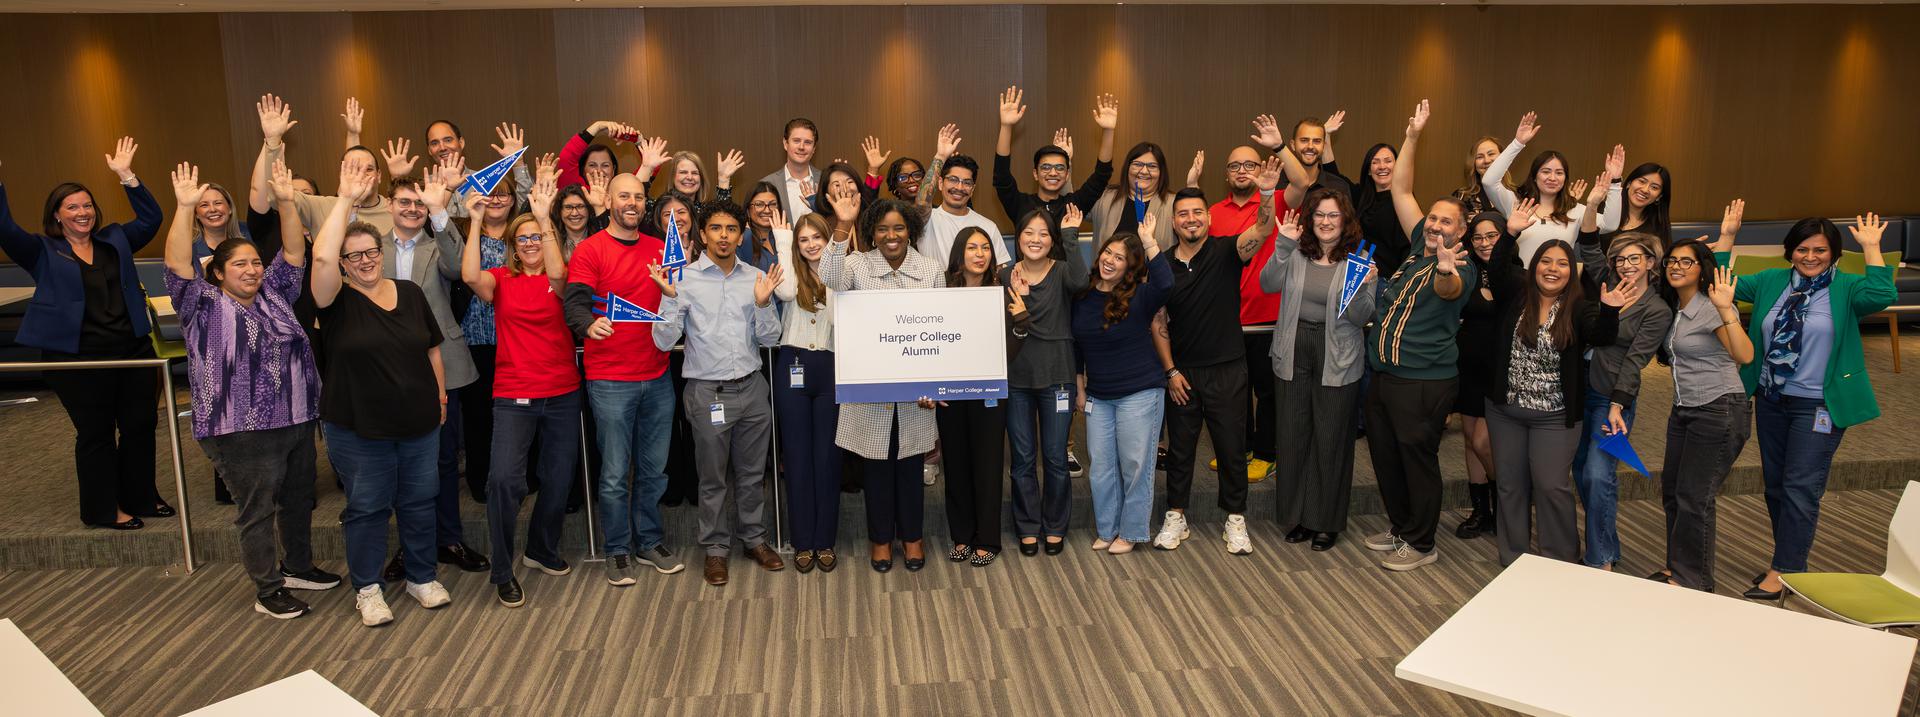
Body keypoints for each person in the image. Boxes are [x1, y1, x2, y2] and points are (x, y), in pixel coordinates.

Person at [162, 160, 338, 618]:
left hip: (297, 416)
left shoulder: (274, 292)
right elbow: (178, 264)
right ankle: (268, 588)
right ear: (217, 273)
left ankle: (298, 565)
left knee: (298, 498)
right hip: (239, 426)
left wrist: (285, 203)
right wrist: (184, 209)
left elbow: (295, 253)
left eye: (256, 262)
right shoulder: (200, 302)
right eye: (239, 263)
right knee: (256, 508)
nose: (252, 269)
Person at [308, 160, 452, 628]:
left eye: (371, 251)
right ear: (345, 265)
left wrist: (441, 397)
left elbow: (431, 349)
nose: (366, 260)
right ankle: (368, 589)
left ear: (381, 251)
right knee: (367, 507)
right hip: (358, 427)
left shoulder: (409, 293)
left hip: (418, 422)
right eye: (355, 256)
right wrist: (347, 200)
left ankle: (420, 576)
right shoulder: (334, 302)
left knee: (418, 500)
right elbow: (323, 259)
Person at [0, 137, 170, 529]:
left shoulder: (114, 240)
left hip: (132, 351)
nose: (83, 213)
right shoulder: (41, 250)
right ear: (57, 215)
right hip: (77, 359)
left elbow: (151, 220)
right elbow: (3, 227)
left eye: (87, 205)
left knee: (140, 426)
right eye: (72, 207)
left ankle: (141, 496)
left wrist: (127, 176)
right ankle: (103, 509)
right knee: (96, 433)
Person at [1725, 212, 1896, 600]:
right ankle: (1785, 560)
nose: (1810, 256)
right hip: (1771, 398)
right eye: (1803, 249)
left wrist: (1871, 247)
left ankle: (1786, 570)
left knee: (1800, 487)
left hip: (1818, 405)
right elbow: (1719, 285)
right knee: (1775, 487)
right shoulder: (1772, 281)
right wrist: (1726, 238)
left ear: (1834, 253)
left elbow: (1883, 295)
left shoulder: (1847, 288)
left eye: (1820, 250)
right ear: (1790, 251)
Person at [1366, 101, 1478, 572]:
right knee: (1386, 456)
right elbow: (1402, 188)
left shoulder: (1461, 267)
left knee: (1417, 460)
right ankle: (1400, 525)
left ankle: (1422, 541)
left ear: (1463, 229)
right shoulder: (1419, 246)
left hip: (1424, 382)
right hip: (1384, 375)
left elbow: (1447, 288)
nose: (1434, 225)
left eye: (1445, 222)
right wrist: (1411, 137)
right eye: (1432, 219)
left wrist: (1448, 269)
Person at [459, 174, 580, 608]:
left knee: (559, 478)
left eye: (535, 237)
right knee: (504, 480)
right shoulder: (500, 280)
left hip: (563, 392)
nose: (529, 243)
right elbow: (468, 274)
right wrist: (474, 222)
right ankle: (502, 567)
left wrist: (545, 219)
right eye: (522, 238)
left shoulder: (557, 278)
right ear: (511, 246)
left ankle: (541, 549)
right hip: (514, 395)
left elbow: (559, 271)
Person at [650, 201, 786, 587]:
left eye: (731, 229)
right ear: (703, 234)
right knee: (712, 479)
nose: (724, 236)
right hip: (709, 393)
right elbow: (662, 341)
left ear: (740, 235)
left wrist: (762, 304)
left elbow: (770, 338)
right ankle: (714, 549)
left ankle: (754, 539)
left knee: (751, 474)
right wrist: (671, 298)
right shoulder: (683, 279)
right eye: (715, 228)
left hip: (753, 390)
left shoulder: (756, 276)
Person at [1151, 157, 1281, 556]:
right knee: (1181, 451)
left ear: (1208, 218)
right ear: (1174, 222)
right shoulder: (1164, 265)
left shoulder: (1228, 250)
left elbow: (1262, 226)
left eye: (1196, 213)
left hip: (1227, 369)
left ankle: (1235, 519)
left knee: (1229, 449)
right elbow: (1158, 323)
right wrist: (1170, 370)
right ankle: (1176, 516)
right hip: (1183, 375)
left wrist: (1266, 191)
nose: (1190, 219)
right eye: (1182, 214)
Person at [1479, 225, 1630, 567]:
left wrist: (1610, 309)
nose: (1552, 268)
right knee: (1510, 486)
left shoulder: (1580, 306)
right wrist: (1509, 232)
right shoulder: (1516, 293)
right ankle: (1514, 559)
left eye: (1562, 263)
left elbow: (1602, 336)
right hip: (1506, 411)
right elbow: (1497, 268)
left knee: (1551, 486)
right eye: (1545, 261)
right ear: (1533, 267)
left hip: (1554, 416)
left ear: (1571, 271)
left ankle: (1559, 562)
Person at [563, 172, 686, 583]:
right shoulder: (590, 250)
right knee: (615, 473)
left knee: (655, 470)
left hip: (657, 377)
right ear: (609, 201)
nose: (631, 203)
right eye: (623, 196)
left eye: (638, 196)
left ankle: (648, 541)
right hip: (610, 380)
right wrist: (587, 325)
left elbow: (679, 301)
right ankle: (618, 548)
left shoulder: (660, 249)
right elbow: (576, 305)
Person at [819, 197, 945, 573]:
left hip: (915, 393)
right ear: (872, 233)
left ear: (911, 231)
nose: (891, 236)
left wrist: (936, 385)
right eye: (883, 229)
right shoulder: (856, 264)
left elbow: (940, 328)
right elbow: (829, 276)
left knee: (909, 468)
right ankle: (880, 540)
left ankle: (912, 538)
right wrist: (843, 225)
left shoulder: (931, 269)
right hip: (869, 391)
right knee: (875, 468)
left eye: (899, 228)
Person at [376, 162, 486, 579]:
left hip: (443, 365)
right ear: (389, 205)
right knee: (402, 465)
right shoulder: (370, 248)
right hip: (389, 371)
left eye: (418, 204)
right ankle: (409, 547)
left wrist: (440, 212)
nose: (411, 209)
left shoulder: (439, 242)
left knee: (442, 460)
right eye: (404, 202)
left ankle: (449, 539)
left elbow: (459, 269)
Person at [1261, 188, 1378, 551]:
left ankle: (1325, 521)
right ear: (1310, 220)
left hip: (1337, 356)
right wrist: (1282, 244)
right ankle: (1297, 517)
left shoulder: (1358, 262)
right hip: (1293, 350)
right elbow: (1267, 284)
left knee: (1330, 440)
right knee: (1293, 437)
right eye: (1320, 216)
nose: (1326, 222)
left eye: (1334, 216)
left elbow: (1363, 316)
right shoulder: (1295, 253)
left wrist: (1363, 287)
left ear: (1345, 222)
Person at [1646, 238, 1752, 593]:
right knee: (1674, 492)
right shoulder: (1676, 308)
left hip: (1719, 408)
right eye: (1672, 261)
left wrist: (1726, 310)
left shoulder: (1711, 307)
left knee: (1695, 497)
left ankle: (1693, 581)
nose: (1676, 267)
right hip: (1684, 409)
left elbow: (1745, 355)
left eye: (1686, 262)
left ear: (1701, 268)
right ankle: (1678, 568)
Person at [1569, 231, 1669, 571]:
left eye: (1634, 259)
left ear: (1651, 264)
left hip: (1609, 397)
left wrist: (1618, 404)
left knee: (1599, 474)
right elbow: (1589, 249)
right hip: (1576, 388)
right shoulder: (1609, 284)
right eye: (1621, 259)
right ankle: (1605, 546)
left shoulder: (1656, 310)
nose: (1626, 265)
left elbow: (1636, 360)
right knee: (1582, 470)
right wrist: (1595, 204)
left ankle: (1602, 560)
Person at [1074, 215, 1170, 554]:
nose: (1109, 260)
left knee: (1134, 464)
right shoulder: (1084, 297)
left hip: (1140, 392)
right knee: (1100, 467)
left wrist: (1149, 242)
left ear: (1129, 267)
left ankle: (1131, 531)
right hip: (1099, 396)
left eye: (1119, 257)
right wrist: (1080, 388)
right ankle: (1107, 528)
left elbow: (1167, 283)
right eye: (1107, 252)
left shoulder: (1141, 295)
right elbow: (1077, 347)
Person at [940, 225, 1034, 565]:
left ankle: (987, 540)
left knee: (987, 465)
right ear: (959, 255)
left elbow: (1006, 354)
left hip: (989, 393)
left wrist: (1021, 321)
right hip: (950, 393)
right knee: (956, 465)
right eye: (972, 248)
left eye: (985, 248)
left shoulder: (1003, 291)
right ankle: (961, 535)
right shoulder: (943, 293)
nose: (979, 254)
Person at [999, 206, 1089, 556]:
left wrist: (1071, 235)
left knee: (1054, 457)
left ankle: (1055, 525)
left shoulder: (1065, 271)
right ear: (1017, 237)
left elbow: (1083, 283)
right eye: (1029, 233)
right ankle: (1027, 526)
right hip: (1016, 378)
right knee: (1022, 458)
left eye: (1044, 234)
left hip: (1057, 378)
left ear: (1052, 240)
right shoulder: (1003, 274)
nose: (1036, 240)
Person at [1210, 145, 1287, 484]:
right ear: (1226, 174)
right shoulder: (1212, 211)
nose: (1242, 170)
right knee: (1235, 390)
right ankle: (1242, 447)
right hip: (1228, 317)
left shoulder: (1279, 201)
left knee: (1267, 389)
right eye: (1234, 165)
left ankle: (1268, 455)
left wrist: (1269, 188)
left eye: (1249, 165)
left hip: (1268, 315)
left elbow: (1304, 184)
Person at [772, 211, 842, 573]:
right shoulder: (789, 273)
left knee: (827, 458)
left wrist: (829, 265)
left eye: (818, 237)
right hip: (793, 366)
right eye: (804, 239)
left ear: (829, 240)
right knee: (797, 459)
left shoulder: (839, 272)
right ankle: (803, 540)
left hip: (830, 368)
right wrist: (784, 243)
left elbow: (837, 309)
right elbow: (783, 291)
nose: (811, 244)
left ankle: (825, 539)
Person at [1480, 112, 1622, 264]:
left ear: (1565, 179)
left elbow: (1610, 224)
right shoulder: (1517, 204)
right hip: (1520, 283)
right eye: (1546, 171)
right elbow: (1489, 181)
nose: (1552, 178)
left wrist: (1615, 182)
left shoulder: (1575, 210)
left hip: (1558, 282)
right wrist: (1517, 143)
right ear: (1534, 176)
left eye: (1559, 173)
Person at [458, 169, 521, 505]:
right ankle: (481, 479)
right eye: (491, 193)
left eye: (504, 193)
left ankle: (522, 478)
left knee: (518, 415)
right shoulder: (463, 232)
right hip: (475, 340)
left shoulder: (522, 236)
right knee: (479, 415)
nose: (496, 199)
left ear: (513, 200)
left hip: (516, 340)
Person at [251, 94, 395, 236]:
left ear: (379, 175)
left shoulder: (396, 210)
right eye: (353, 170)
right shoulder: (320, 207)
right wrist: (273, 141)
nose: (361, 175)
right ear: (341, 176)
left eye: (368, 169)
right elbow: (277, 195)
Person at [1451, 211, 1508, 539]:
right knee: (1471, 442)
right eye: (1478, 237)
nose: (1485, 243)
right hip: (1467, 365)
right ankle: (1480, 511)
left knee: (1484, 441)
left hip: (1498, 368)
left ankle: (1507, 501)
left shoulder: (1513, 273)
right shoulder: (1466, 271)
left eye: (1492, 236)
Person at [992, 87, 1117, 223]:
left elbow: (1101, 175)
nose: (1053, 173)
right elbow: (1002, 176)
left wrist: (1108, 131)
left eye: (1060, 168)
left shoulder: (1072, 206)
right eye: (1046, 167)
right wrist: (1006, 126)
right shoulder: (1021, 205)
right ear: (1035, 173)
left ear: (1067, 174)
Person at [921, 153, 1011, 271]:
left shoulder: (988, 226)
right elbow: (922, 201)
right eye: (953, 180)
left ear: (972, 189)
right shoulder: (926, 220)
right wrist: (940, 156)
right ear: (941, 183)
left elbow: (998, 272)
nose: (959, 187)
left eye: (967, 183)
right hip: (935, 288)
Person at [1089, 141, 1179, 249]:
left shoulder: (1174, 203)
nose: (1144, 171)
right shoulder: (1105, 197)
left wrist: (1193, 185)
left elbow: (1194, 230)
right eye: (1138, 164)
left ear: (1161, 172)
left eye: (1152, 166)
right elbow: (1070, 207)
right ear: (1127, 168)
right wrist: (1066, 171)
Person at [760, 118, 822, 219]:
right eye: (796, 141)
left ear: (814, 148)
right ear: (785, 144)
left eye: (808, 142)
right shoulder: (767, 184)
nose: (801, 147)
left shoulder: (826, 181)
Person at [555, 119, 634, 190]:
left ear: (613, 170)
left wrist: (636, 139)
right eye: (592, 165)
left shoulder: (626, 194)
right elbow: (566, 158)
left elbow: (646, 165)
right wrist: (598, 126)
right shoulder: (578, 194)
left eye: (605, 165)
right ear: (583, 170)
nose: (599, 171)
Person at [1451, 136, 1508, 215]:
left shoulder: (1518, 194)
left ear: (1503, 157)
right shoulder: (1462, 196)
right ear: (1473, 163)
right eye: (1479, 157)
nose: (1486, 160)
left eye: (1491, 154)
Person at [739, 181, 786, 273]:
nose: (767, 210)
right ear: (748, 209)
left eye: (772, 204)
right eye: (759, 204)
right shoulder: (742, 239)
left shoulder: (786, 236)